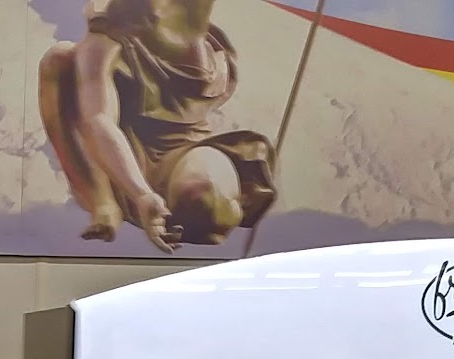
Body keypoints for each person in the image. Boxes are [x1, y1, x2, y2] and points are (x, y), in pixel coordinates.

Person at [38, 0, 277, 251]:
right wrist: (141, 193)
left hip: (184, 151)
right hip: (120, 159)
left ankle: (173, 210)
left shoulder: (191, 31)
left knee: (205, 200)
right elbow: (98, 119)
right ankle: (103, 201)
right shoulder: (106, 33)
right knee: (59, 58)